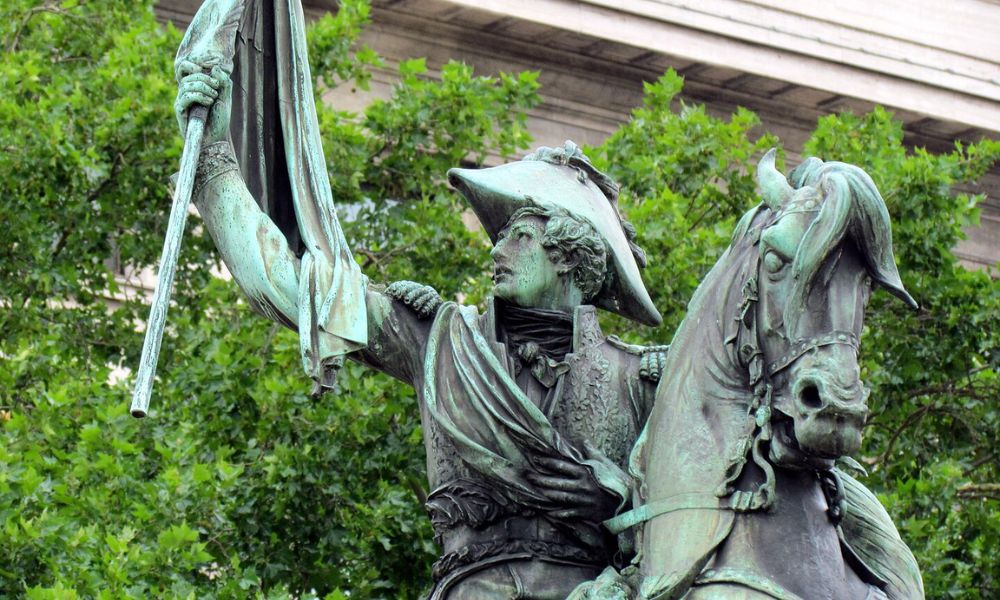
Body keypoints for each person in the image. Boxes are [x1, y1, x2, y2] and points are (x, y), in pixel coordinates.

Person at [176, 62, 667, 599]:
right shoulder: (442, 342)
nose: (495, 252)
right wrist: (213, 160)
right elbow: (288, 287)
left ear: (572, 257)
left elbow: (706, 516)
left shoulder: (641, 380)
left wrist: (619, 499)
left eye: (519, 237)